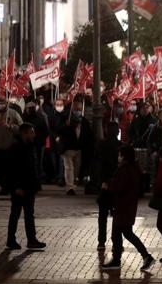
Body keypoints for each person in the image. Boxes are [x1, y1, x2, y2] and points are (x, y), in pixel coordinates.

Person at [101, 146, 154, 271]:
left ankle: (145, 256)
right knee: (119, 234)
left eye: (119, 155)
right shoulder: (132, 168)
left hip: (123, 206)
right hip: (125, 206)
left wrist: (108, 187)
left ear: (124, 156)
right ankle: (118, 259)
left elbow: (120, 187)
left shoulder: (126, 170)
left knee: (125, 233)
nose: (118, 157)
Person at [6, 123, 46, 251]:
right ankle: (11, 239)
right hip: (19, 187)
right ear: (24, 134)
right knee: (15, 214)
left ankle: (32, 240)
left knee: (29, 214)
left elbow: (32, 167)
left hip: (29, 187)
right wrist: (16, 187)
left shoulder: (30, 146)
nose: (33, 135)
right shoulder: (15, 148)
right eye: (31, 132)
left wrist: (36, 184)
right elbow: (12, 169)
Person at [0, 97, 23, 195]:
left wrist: (11, 127)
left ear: (6, 103)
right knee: (0, 169)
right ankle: (4, 187)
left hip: (10, 146)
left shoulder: (13, 113)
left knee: (10, 169)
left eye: (2, 102)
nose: (1, 104)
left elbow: (21, 127)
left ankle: (11, 187)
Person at [96, 122, 122, 250]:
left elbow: (98, 164)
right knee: (117, 216)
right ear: (117, 132)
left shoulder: (101, 145)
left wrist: (102, 181)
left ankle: (101, 241)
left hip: (105, 184)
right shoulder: (120, 146)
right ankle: (116, 241)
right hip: (117, 184)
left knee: (102, 215)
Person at [58, 100, 92, 195]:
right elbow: (58, 129)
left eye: (79, 108)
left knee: (76, 168)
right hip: (68, 147)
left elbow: (88, 134)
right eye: (76, 108)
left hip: (79, 148)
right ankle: (69, 187)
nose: (78, 110)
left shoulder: (84, 120)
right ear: (72, 108)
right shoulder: (66, 118)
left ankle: (74, 183)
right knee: (69, 167)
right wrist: (66, 125)